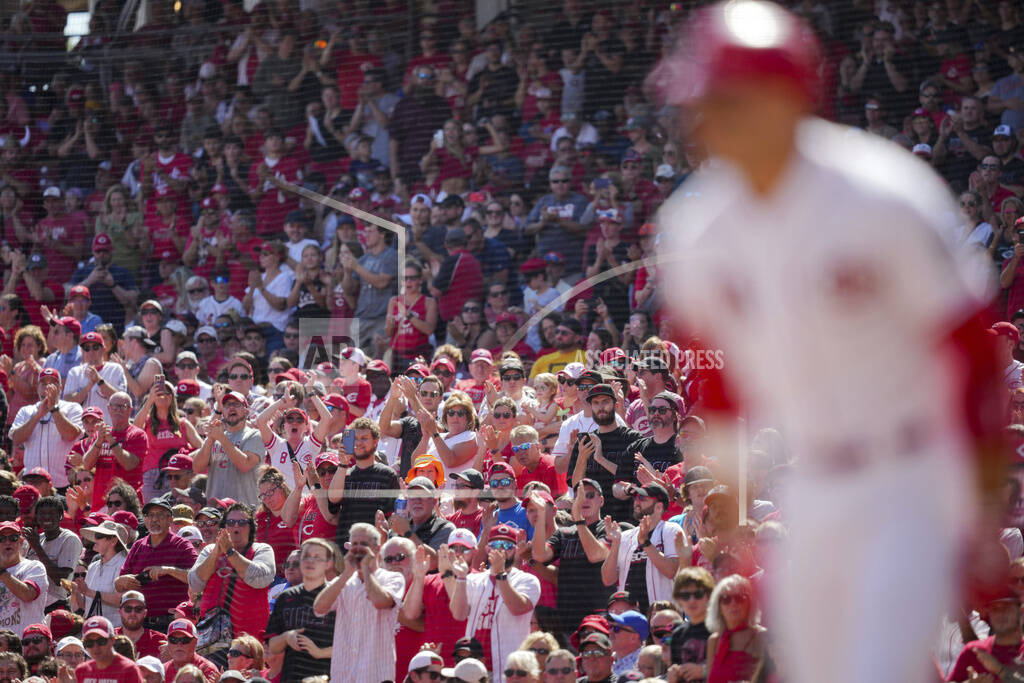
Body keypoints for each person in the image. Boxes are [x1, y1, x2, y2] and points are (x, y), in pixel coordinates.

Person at [653, 4, 1002, 682]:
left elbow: (971, 348)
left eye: (725, 99)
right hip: (808, 484)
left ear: (785, 99)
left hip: (910, 473)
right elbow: (718, 386)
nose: (704, 117)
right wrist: (727, 516)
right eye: (701, 100)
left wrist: (976, 509)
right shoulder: (696, 225)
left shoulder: (884, 194)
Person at [313, 523, 405, 683]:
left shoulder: (392, 578)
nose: (358, 550)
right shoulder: (344, 581)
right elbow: (319, 608)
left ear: (376, 549)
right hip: (344, 673)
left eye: (363, 545)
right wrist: (346, 573)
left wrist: (366, 570)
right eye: (354, 545)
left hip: (375, 674)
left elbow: (381, 601)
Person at [188, 503, 274, 666]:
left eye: (242, 523)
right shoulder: (209, 550)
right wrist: (216, 552)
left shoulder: (262, 549)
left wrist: (230, 552)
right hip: (214, 639)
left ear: (251, 527)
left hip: (249, 639)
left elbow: (261, 578)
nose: (236, 526)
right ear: (223, 527)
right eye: (231, 522)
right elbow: (195, 584)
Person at [449, 523, 541, 674]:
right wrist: (460, 577)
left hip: (511, 667)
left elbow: (518, 608)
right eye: (496, 545)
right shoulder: (473, 580)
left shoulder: (527, 580)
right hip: (475, 666)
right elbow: (459, 615)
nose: (501, 550)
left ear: (516, 550)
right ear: (487, 549)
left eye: (507, 545)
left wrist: (500, 574)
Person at [530, 481, 611, 638]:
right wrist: (540, 515)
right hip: (567, 621)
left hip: (598, 620)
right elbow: (540, 555)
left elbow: (596, 555)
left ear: (601, 501)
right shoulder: (565, 533)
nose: (584, 500)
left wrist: (578, 519)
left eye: (589, 495)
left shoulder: (608, 527)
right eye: (580, 496)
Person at [115, 497, 198, 632]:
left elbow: (196, 577)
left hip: (173, 624)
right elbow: (119, 586)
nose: (154, 519)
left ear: (170, 519)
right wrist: (121, 581)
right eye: (150, 515)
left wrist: (168, 570)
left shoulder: (182, 545)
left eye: (160, 515)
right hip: (141, 624)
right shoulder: (138, 546)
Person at [602, 483, 683, 615]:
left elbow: (671, 571)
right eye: (635, 498)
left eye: (642, 498)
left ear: (659, 507)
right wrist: (616, 543)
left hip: (663, 618)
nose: (636, 502)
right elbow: (607, 579)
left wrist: (645, 542)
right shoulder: (624, 536)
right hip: (631, 618)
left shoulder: (671, 530)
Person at [265, 538, 336, 683]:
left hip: (327, 676)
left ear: (327, 564)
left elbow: (350, 645)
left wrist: (319, 652)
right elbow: (271, 644)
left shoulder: (336, 596)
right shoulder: (284, 597)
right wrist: (286, 637)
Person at [326, 416, 400, 549]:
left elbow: (391, 516)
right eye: (355, 439)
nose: (359, 443)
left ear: (376, 442)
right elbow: (333, 499)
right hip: (345, 548)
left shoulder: (387, 475)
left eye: (364, 438)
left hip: (373, 548)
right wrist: (343, 464)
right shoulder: (344, 474)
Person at [9, 368, 83, 491]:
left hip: (63, 484)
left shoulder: (72, 408)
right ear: (38, 388)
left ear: (60, 388)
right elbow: (16, 438)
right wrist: (37, 415)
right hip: (32, 484)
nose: (47, 387)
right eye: (43, 384)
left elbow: (71, 435)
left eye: (52, 383)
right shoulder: (26, 411)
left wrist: (54, 408)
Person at [193, 391, 265, 506]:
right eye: (227, 405)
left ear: (246, 412)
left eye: (236, 404)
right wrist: (211, 439)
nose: (231, 408)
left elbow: (245, 465)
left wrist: (220, 437)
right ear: (223, 413)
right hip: (215, 510)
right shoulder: (216, 436)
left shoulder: (254, 435)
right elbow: (197, 467)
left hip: (244, 509)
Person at [83, 391, 147, 510]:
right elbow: (87, 464)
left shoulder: (137, 434)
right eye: (115, 406)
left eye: (123, 406)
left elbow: (129, 464)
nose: (118, 410)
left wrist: (111, 441)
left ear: (130, 410)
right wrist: (99, 441)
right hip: (101, 502)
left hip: (127, 503)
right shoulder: (100, 435)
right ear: (108, 408)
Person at [24, 495, 83, 612]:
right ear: (37, 517)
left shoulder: (70, 539)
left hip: (56, 606)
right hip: (34, 604)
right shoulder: (38, 538)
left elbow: (60, 579)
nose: (47, 517)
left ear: (61, 515)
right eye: (42, 513)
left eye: (51, 513)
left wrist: (37, 547)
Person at [704, 575, 765, 683]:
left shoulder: (761, 637)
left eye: (740, 598)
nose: (733, 603)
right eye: (726, 599)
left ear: (750, 604)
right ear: (719, 607)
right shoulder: (714, 640)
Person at [0, 520, 47, 637]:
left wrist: (1, 571)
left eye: (13, 538)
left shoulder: (34, 567)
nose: (7, 542)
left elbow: (28, 595)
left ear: (21, 541)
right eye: (1, 539)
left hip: (29, 644)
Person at [666, 568, 715, 678]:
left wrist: (704, 672)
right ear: (678, 599)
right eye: (685, 596)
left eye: (698, 594)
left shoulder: (720, 629)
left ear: (709, 596)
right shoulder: (678, 634)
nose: (692, 600)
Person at [63, 330, 127, 413]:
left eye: (95, 347)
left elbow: (121, 400)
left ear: (104, 349)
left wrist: (99, 381)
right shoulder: (75, 372)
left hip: (108, 424)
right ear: (82, 351)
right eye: (87, 348)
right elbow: (67, 402)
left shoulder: (115, 369)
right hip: (82, 425)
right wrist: (88, 387)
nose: (91, 352)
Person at [75, 615, 144, 683]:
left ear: (112, 640)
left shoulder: (129, 670)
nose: (95, 647)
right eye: (89, 643)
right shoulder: (82, 671)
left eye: (101, 641)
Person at [161, 618, 220, 683]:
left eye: (185, 640)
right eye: (173, 640)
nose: (179, 644)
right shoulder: (161, 671)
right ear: (168, 642)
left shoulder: (208, 670)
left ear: (195, 642)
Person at [114, 591, 167, 660]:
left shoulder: (160, 640)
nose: (133, 613)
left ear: (145, 613)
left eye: (138, 609)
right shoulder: (108, 637)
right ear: (120, 612)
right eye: (128, 609)